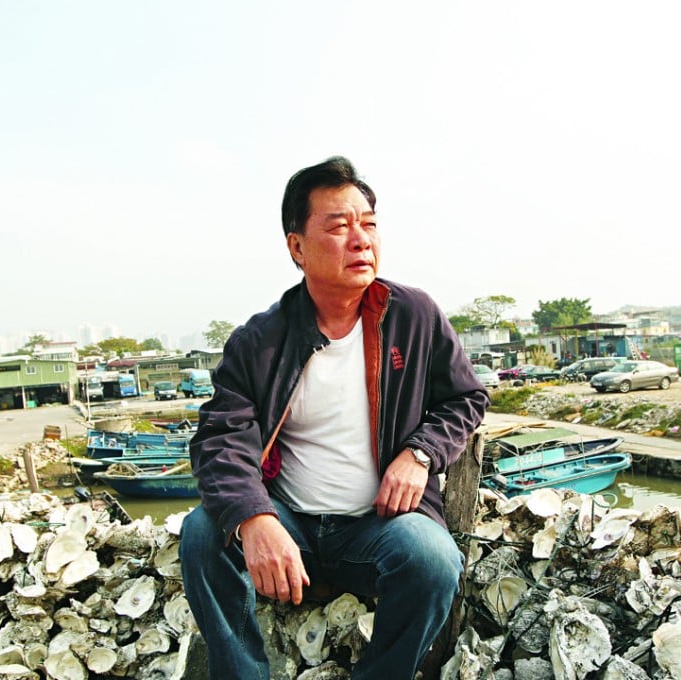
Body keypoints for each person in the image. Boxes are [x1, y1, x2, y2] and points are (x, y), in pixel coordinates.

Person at [179, 156, 490, 679]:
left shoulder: (414, 315)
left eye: (368, 224)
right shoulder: (259, 341)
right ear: (296, 247)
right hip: (291, 523)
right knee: (202, 534)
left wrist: (420, 453)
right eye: (339, 226)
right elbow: (220, 440)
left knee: (435, 560)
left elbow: (466, 398)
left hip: (378, 527)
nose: (361, 239)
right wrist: (256, 518)